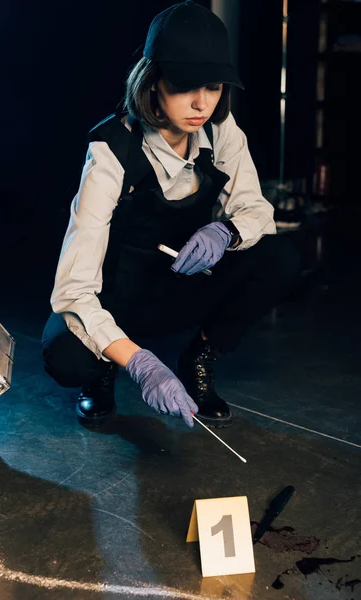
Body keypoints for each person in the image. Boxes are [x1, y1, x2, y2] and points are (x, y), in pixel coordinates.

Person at [42, 0, 299, 430]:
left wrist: (226, 230)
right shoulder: (111, 151)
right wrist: (139, 363)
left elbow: (257, 210)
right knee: (65, 355)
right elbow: (73, 292)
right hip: (118, 299)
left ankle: (198, 354)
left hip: (179, 290)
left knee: (281, 258)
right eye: (186, 85)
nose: (202, 103)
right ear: (153, 82)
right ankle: (105, 369)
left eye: (214, 86)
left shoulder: (221, 128)